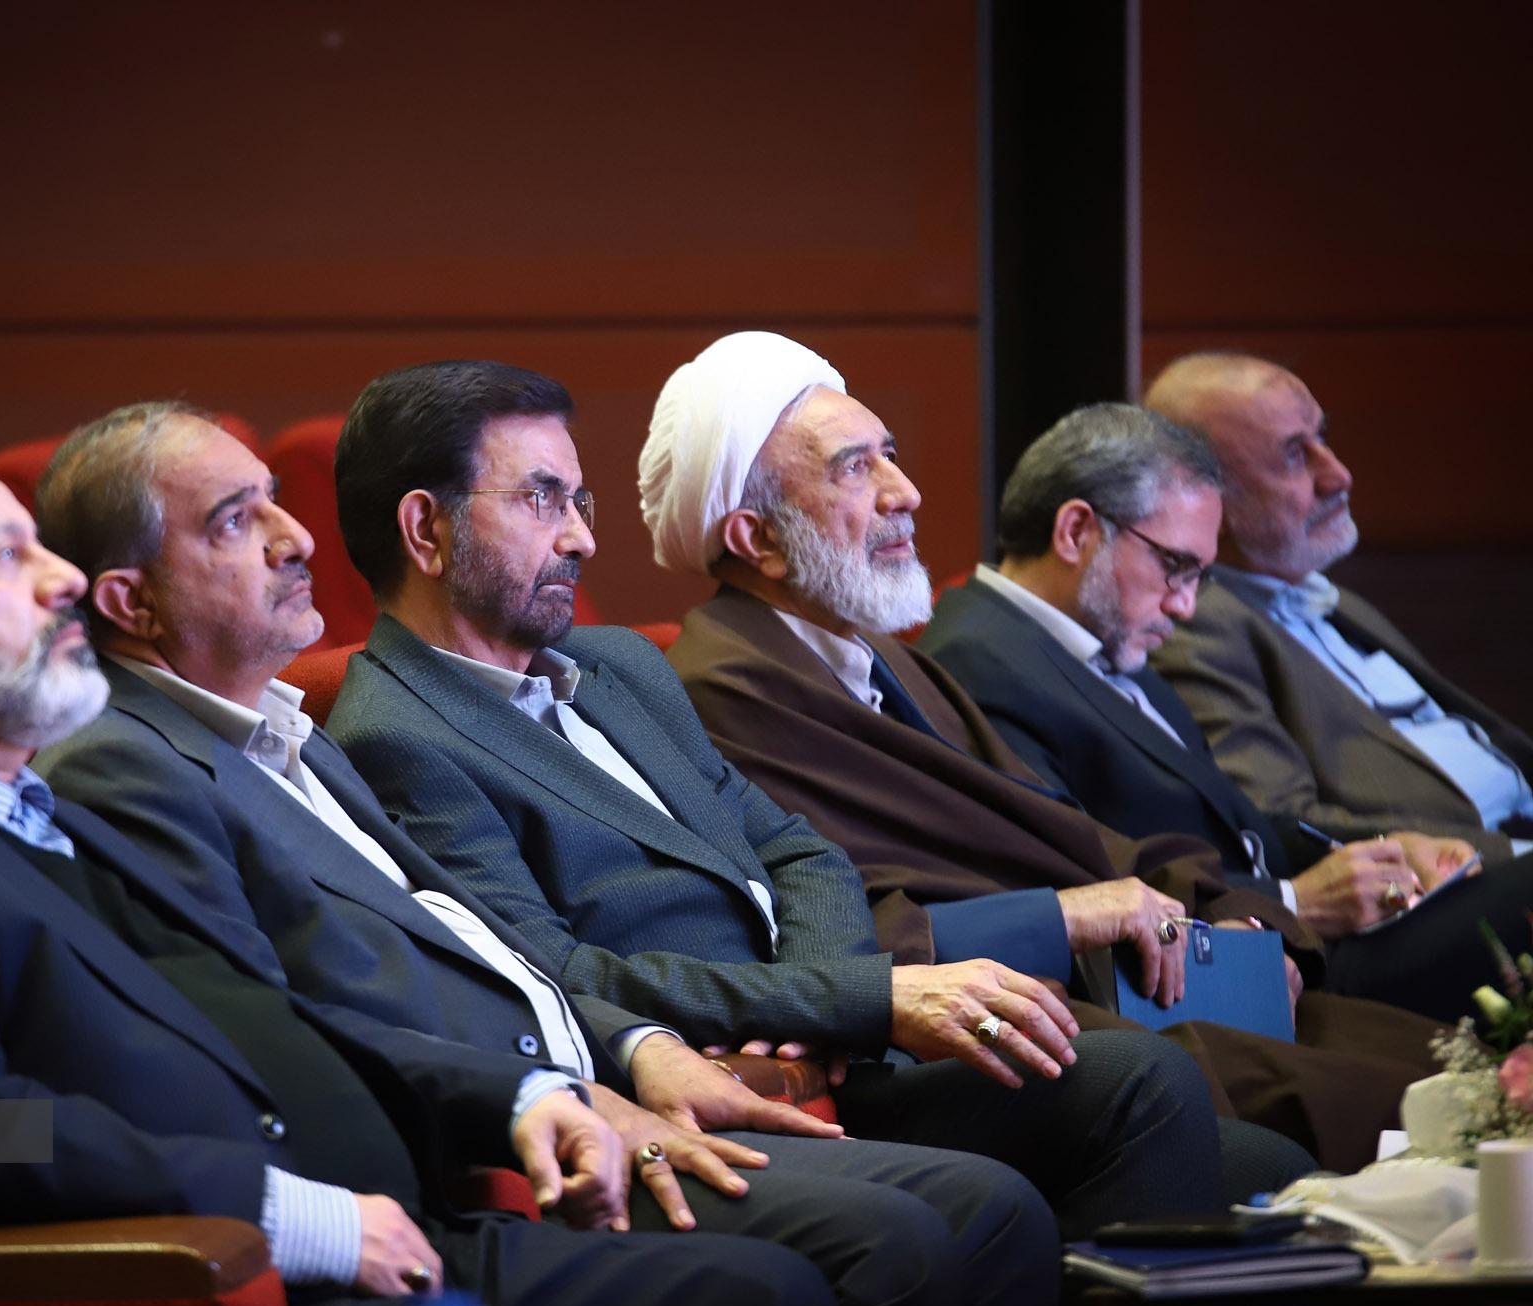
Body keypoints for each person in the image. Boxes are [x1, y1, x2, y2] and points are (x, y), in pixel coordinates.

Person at [0, 456, 842, 1306]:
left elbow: (269, 1003)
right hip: (224, 1285)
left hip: (402, 1215)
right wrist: (300, 1216)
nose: (63, 581)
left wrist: (518, 1093)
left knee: (775, 1290)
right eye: (4, 559)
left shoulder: (28, 806)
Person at [30, 401, 1066, 1306]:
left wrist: (635, 1046)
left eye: (273, 500)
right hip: (458, 1161)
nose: (294, 535)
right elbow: (278, 1023)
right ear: (129, 601)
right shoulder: (131, 768)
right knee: (876, 1249)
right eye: (234, 519)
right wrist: (545, 1094)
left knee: (990, 1206)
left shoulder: (285, 732)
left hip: (589, 1075)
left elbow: (481, 943)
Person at [322, 357, 1311, 1226]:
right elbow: (558, 974)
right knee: (1138, 1090)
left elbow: (800, 849)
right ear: (425, 530)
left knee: (1260, 1163)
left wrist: (833, 1005)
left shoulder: (619, 662)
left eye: (582, 502)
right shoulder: (392, 735)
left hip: (827, 1045)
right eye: (544, 501)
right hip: (722, 1081)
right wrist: (856, 1000)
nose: (581, 539)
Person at [633, 332, 1438, 1172]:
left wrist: (1243, 916)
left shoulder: (891, 660)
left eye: (890, 455)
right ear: (758, 538)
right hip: (981, 1030)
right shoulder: (719, 689)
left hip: (1126, 984)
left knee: (1455, 1065)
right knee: (1399, 1114)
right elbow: (813, 933)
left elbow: (1063, 831)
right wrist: (1068, 916)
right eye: (854, 469)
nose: (905, 492)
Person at [919, 402, 1533, 1022]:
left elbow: (1231, 822)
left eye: (1200, 577)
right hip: (1239, 975)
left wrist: (1380, 851)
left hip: (1293, 935)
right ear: (1077, 532)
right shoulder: (978, 664)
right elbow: (1079, 890)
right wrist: (1296, 899)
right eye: (1176, 566)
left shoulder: (1093, 633)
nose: (1185, 606)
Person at [1144, 352, 1533, 863]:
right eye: (1293, 456)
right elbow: (1282, 823)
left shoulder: (1340, 601)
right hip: (1462, 874)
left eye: (1321, 438)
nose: (1338, 475)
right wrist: (1509, 856)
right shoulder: (1196, 628)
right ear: (1204, 495)